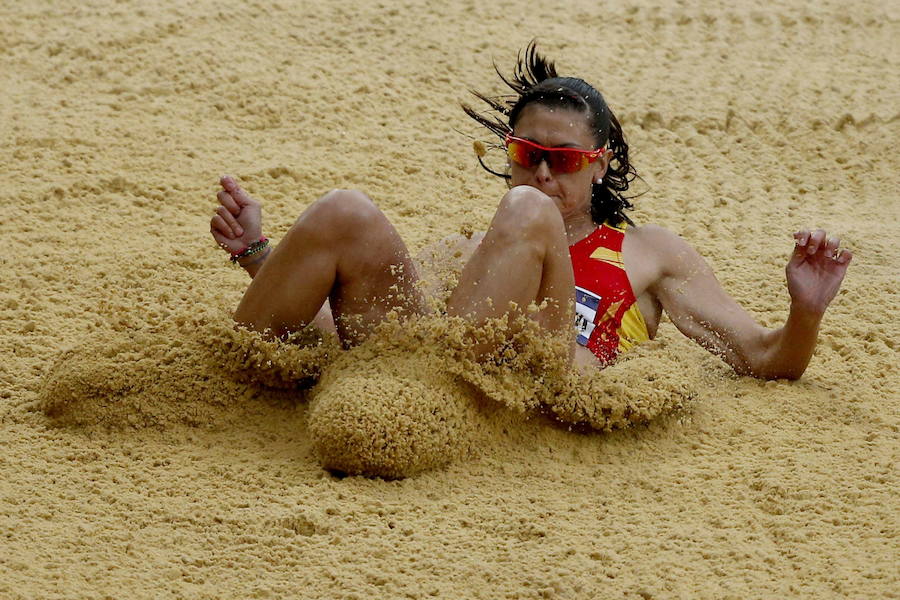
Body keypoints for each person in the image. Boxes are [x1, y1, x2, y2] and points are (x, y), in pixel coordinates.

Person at [210, 43, 851, 380]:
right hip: (420, 378)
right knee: (343, 209)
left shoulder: (650, 252)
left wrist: (804, 311)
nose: (543, 173)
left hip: (536, 389)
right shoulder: (470, 247)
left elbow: (764, 358)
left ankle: (437, 387)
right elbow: (351, 333)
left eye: (564, 160)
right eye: (526, 153)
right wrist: (257, 254)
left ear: (601, 163)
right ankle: (225, 386)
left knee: (524, 213)